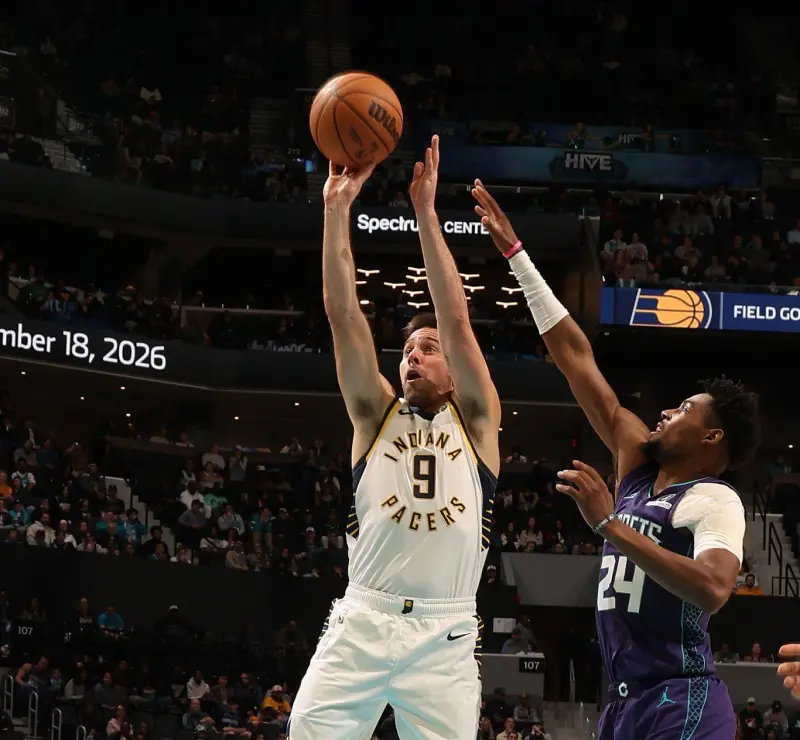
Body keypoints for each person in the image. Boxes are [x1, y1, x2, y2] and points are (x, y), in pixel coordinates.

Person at [472, 182, 760, 740]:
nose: (667, 412)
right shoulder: (637, 463)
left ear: (712, 437)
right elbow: (575, 358)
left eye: (685, 410)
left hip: (683, 696)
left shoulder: (714, 499)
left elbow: (713, 588)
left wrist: (610, 524)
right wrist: (517, 256)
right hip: (623, 704)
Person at [290, 136, 501, 740]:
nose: (412, 357)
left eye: (427, 349)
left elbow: (455, 317)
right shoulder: (374, 415)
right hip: (364, 617)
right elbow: (343, 316)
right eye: (407, 350)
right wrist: (336, 209)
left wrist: (426, 214)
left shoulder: (476, 420)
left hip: (445, 635)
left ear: (454, 371)